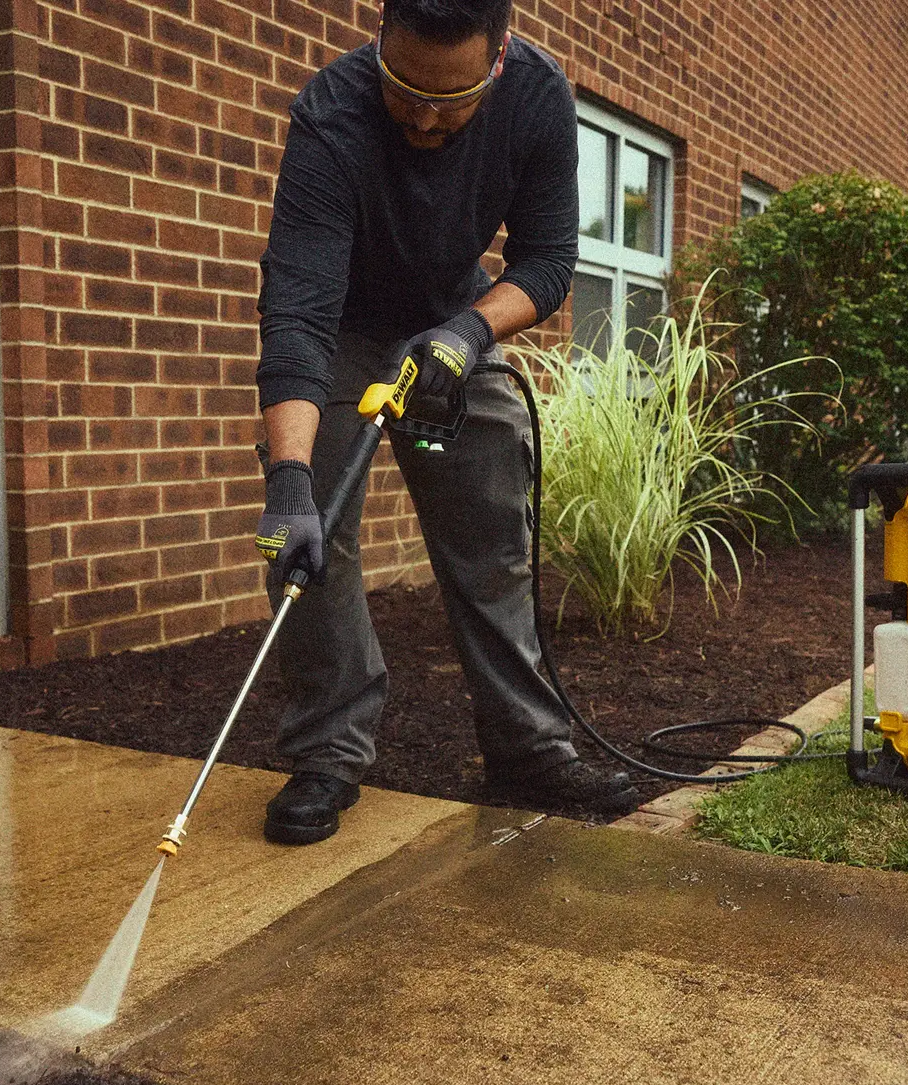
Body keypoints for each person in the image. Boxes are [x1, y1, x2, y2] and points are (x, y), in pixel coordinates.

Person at [251, 0, 638, 844]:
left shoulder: (537, 97)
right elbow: (298, 314)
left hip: (455, 322)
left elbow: (548, 259)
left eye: (451, 99)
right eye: (403, 87)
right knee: (311, 538)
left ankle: (529, 749)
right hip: (343, 329)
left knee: (492, 532)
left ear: (498, 58)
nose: (425, 116)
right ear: (381, 37)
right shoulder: (331, 111)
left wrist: (467, 332)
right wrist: (287, 480)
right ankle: (326, 754)